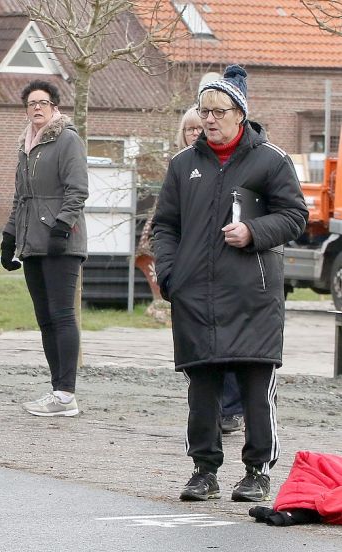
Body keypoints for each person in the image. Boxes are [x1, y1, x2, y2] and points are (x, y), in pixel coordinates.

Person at [152, 65, 308, 502]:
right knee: (202, 387)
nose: (209, 120)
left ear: (240, 113)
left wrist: (254, 233)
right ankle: (204, 470)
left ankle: (257, 471)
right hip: (194, 296)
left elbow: (295, 216)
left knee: (256, 385)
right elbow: (164, 226)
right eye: (204, 111)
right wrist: (169, 275)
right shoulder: (183, 165)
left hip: (252, 296)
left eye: (219, 110)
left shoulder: (271, 160)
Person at [0, 81, 88, 417]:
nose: (37, 108)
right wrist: (10, 237)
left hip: (61, 241)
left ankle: (67, 394)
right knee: (45, 318)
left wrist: (62, 227)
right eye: (31, 103)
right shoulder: (25, 145)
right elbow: (20, 197)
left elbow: (78, 190)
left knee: (62, 314)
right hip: (31, 241)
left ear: (54, 107)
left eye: (44, 102)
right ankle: (57, 390)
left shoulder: (67, 140)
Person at [173, 107, 246, 436]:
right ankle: (207, 411)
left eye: (196, 128)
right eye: (187, 129)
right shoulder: (181, 167)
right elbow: (167, 221)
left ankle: (231, 409)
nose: (193, 133)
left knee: (227, 345)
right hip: (190, 274)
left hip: (225, 269)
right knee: (198, 347)